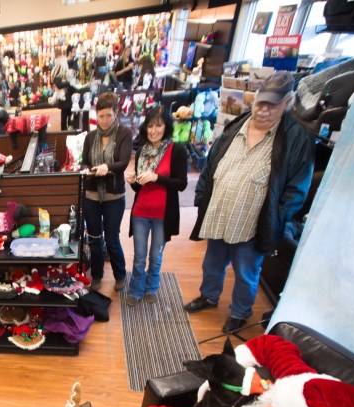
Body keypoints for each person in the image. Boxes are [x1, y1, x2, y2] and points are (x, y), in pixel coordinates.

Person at [184, 71, 314, 334]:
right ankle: (209, 296)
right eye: (260, 103)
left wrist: (276, 216)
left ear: (287, 102)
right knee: (212, 263)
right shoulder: (237, 125)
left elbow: (297, 188)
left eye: (272, 105)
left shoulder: (296, 138)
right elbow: (211, 163)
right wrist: (201, 197)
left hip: (252, 222)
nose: (264, 110)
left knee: (246, 272)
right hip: (219, 213)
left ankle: (240, 312)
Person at [124, 105, 188, 306]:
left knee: (155, 256)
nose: (153, 131)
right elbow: (139, 189)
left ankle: (152, 287)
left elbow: (182, 184)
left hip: (163, 214)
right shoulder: (142, 150)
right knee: (139, 256)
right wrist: (133, 181)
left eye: (158, 126)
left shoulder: (177, 150)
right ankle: (135, 290)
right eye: (150, 126)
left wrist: (157, 177)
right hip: (140, 212)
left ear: (166, 127)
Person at [81, 91, 133, 293]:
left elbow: (123, 161)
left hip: (114, 197)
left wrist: (107, 167)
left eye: (108, 116)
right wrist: (87, 168)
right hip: (91, 196)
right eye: (101, 116)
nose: (104, 120)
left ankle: (120, 275)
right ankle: (96, 275)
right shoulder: (91, 136)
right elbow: (85, 160)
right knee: (94, 238)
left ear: (116, 113)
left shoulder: (124, 133)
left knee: (111, 238)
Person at [51, 55, 76, 132]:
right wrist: (68, 83)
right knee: (64, 118)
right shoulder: (58, 75)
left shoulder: (66, 72)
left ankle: (69, 131)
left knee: (70, 117)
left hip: (69, 98)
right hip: (64, 100)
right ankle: (63, 133)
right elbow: (59, 85)